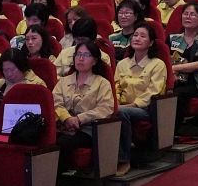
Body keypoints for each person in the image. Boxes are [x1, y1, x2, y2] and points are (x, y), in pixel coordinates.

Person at [112, 24, 168, 176]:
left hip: (145, 109)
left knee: (121, 112)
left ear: (150, 43)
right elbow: (115, 86)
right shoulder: (123, 64)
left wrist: (132, 104)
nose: (137, 38)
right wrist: (115, 102)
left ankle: (124, 160)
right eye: (135, 35)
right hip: (122, 106)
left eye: (143, 36)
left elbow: (153, 92)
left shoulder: (157, 64)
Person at [52, 40, 117, 167]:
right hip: (63, 127)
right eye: (78, 54)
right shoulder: (63, 81)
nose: (80, 59)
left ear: (95, 60)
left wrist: (79, 119)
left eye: (86, 55)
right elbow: (55, 103)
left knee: (62, 144)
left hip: (88, 130)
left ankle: (54, 183)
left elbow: (105, 108)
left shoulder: (102, 83)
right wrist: (66, 118)